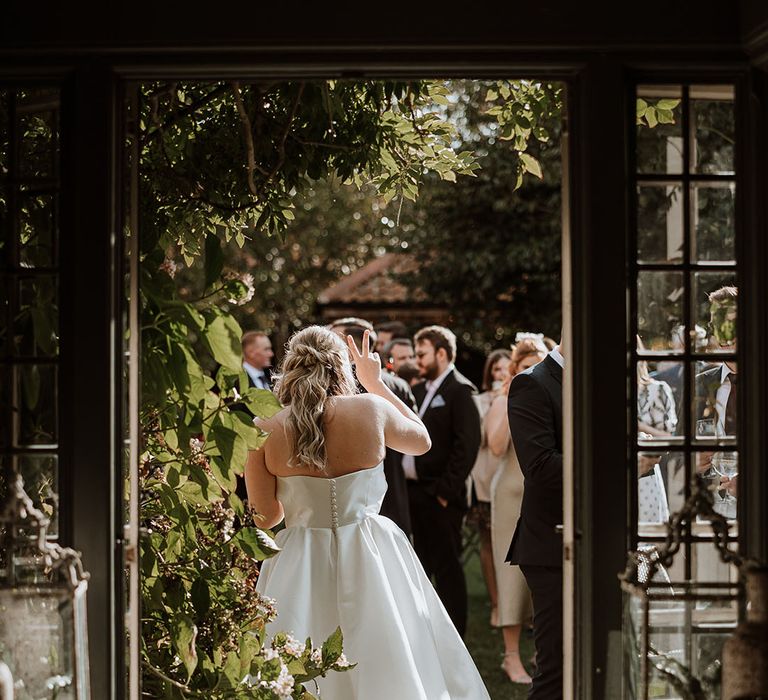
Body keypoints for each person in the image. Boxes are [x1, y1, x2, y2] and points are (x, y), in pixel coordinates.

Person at [246, 326, 490, 700]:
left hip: (300, 560)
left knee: (293, 656)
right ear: (341, 368)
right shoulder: (372, 408)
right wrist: (374, 382)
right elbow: (421, 441)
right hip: (372, 549)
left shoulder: (264, 428)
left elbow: (266, 518)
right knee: (387, 648)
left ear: (291, 366)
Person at [404, 325, 482, 637]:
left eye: (422, 354)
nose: (417, 360)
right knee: (420, 567)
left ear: (441, 353)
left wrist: (443, 493)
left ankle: (455, 636)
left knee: (449, 570)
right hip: (415, 494)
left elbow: (467, 446)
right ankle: (426, 633)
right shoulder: (421, 390)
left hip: (441, 497)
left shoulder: (459, 390)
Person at [486, 337, 548, 685]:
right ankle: (511, 656)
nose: (532, 373)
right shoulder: (503, 400)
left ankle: (543, 649)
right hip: (509, 495)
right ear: (514, 370)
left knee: (543, 570)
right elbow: (496, 447)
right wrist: (513, 398)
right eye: (525, 368)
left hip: (542, 492)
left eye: (537, 367)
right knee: (511, 574)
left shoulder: (551, 398)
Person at [506, 336, 564, 700]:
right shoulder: (532, 382)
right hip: (552, 545)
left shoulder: (607, 380)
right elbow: (540, 467)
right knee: (556, 669)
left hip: (605, 539)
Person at [335, 321, 417, 536]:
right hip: (395, 483)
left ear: (348, 345)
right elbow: (415, 433)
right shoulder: (399, 385)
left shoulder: (339, 385)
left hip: (355, 494)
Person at [467, 350, 512, 627]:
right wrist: (494, 407)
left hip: (509, 478)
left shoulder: (517, 397)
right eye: (497, 369)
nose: (501, 374)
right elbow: (482, 439)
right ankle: (496, 603)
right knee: (487, 541)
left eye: (506, 369)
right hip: (484, 482)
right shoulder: (479, 402)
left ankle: (515, 605)